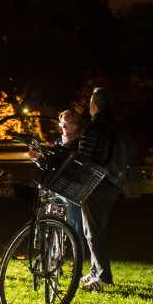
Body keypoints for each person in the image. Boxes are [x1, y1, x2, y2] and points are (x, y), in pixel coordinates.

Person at [77, 87, 123, 290]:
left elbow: (84, 158)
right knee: (94, 230)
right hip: (113, 183)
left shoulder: (93, 128)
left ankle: (104, 277)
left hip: (95, 184)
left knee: (93, 231)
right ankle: (96, 270)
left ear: (94, 104)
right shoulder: (114, 126)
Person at [57, 108, 88, 245]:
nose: (63, 126)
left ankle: (77, 253)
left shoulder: (80, 143)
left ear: (76, 125)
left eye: (67, 123)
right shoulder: (59, 141)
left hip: (73, 190)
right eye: (61, 123)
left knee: (74, 226)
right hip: (58, 187)